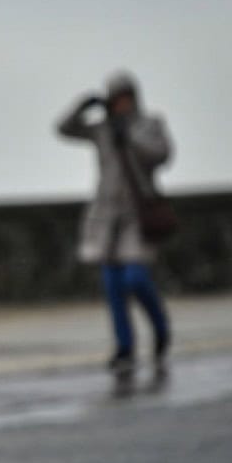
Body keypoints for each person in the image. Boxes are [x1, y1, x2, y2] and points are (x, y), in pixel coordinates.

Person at [57, 71, 174, 374]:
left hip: (138, 214)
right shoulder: (103, 129)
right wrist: (84, 105)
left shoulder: (150, 124)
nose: (121, 104)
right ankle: (125, 347)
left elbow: (162, 155)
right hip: (107, 217)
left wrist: (130, 138)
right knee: (113, 286)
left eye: (125, 98)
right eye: (116, 99)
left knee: (135, 278)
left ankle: (160, 326)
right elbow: (64, 129)